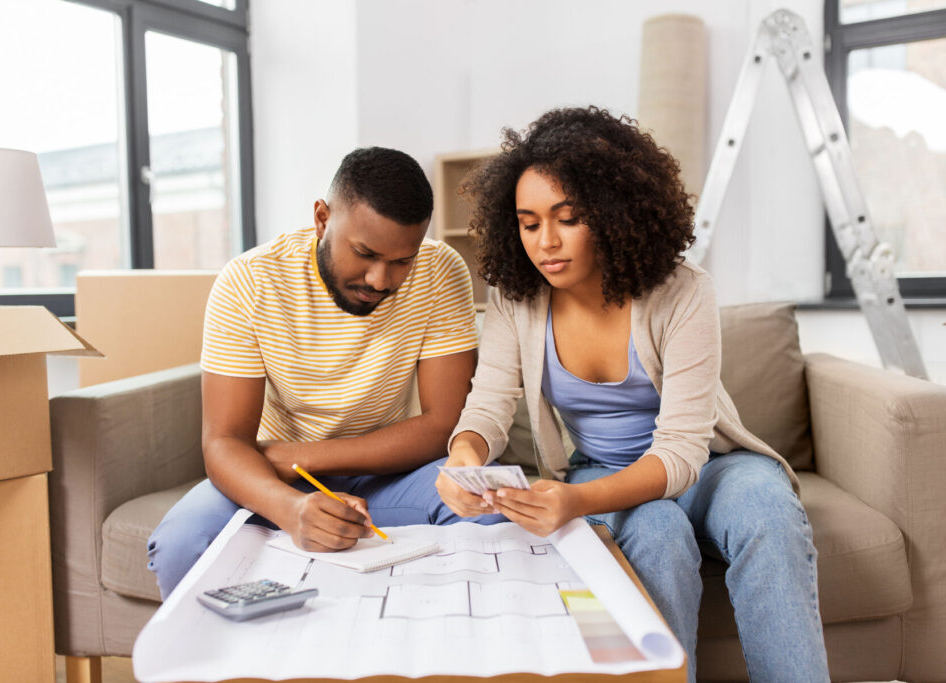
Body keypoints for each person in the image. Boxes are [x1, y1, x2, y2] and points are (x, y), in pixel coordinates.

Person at [435, 107, 829, 682]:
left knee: (768, 512)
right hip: (602, 468)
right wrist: (463, 459)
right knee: (657, 533)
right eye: (528, 222)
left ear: (613, 214)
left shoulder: (683, 292)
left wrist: (570, 503)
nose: (546, 242)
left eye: (567, 218)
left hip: (714, 466)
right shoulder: (515, 299)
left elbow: (680, 454)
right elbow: (487, 407)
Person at [148, 146, 502, 600]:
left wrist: (304, 456)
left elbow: (443, 424)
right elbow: (223, 442)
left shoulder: (440, 271)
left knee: (487, 510)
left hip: (385, 474)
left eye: (401, 261)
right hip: (273, 477)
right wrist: (291, 507)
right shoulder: (249, 281)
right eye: (364, 253)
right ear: (321, 218)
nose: (380, 280)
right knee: (182, 544)